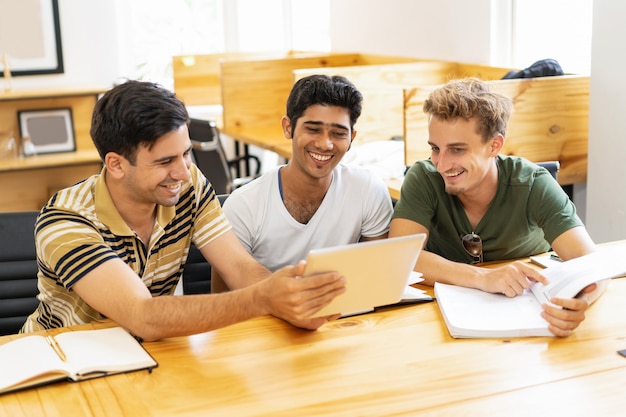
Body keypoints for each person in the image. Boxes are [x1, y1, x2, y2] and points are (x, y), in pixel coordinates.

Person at [20, 80, 347, 341]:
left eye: (186, 154)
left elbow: (239, 267)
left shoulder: (188, 183)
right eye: (165, 162)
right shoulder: (67, 219)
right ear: (116, 165)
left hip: (150, 355)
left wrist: (291, 298)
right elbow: (143, 316)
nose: (182, 171)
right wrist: (263, 298)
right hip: (66, 362)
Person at [390, 77, 607, 337]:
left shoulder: (533, 182)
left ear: (494, 145)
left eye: (457, 150)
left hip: (530, 322)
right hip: (443, 322)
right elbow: (399, 258)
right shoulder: (423, 177)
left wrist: (579, 304)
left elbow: (593, 265)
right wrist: (482, 278)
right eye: (436, 148)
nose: (442, 164)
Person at [214, 74, 392, 288]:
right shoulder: (244, 205)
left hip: (343, 317)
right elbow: (224, 300)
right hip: (265, 319)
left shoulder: (368, 191)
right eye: (313, 129)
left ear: (352, 138)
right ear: (288, 127)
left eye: (338, 133)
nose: (325, 144)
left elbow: (377, 279)